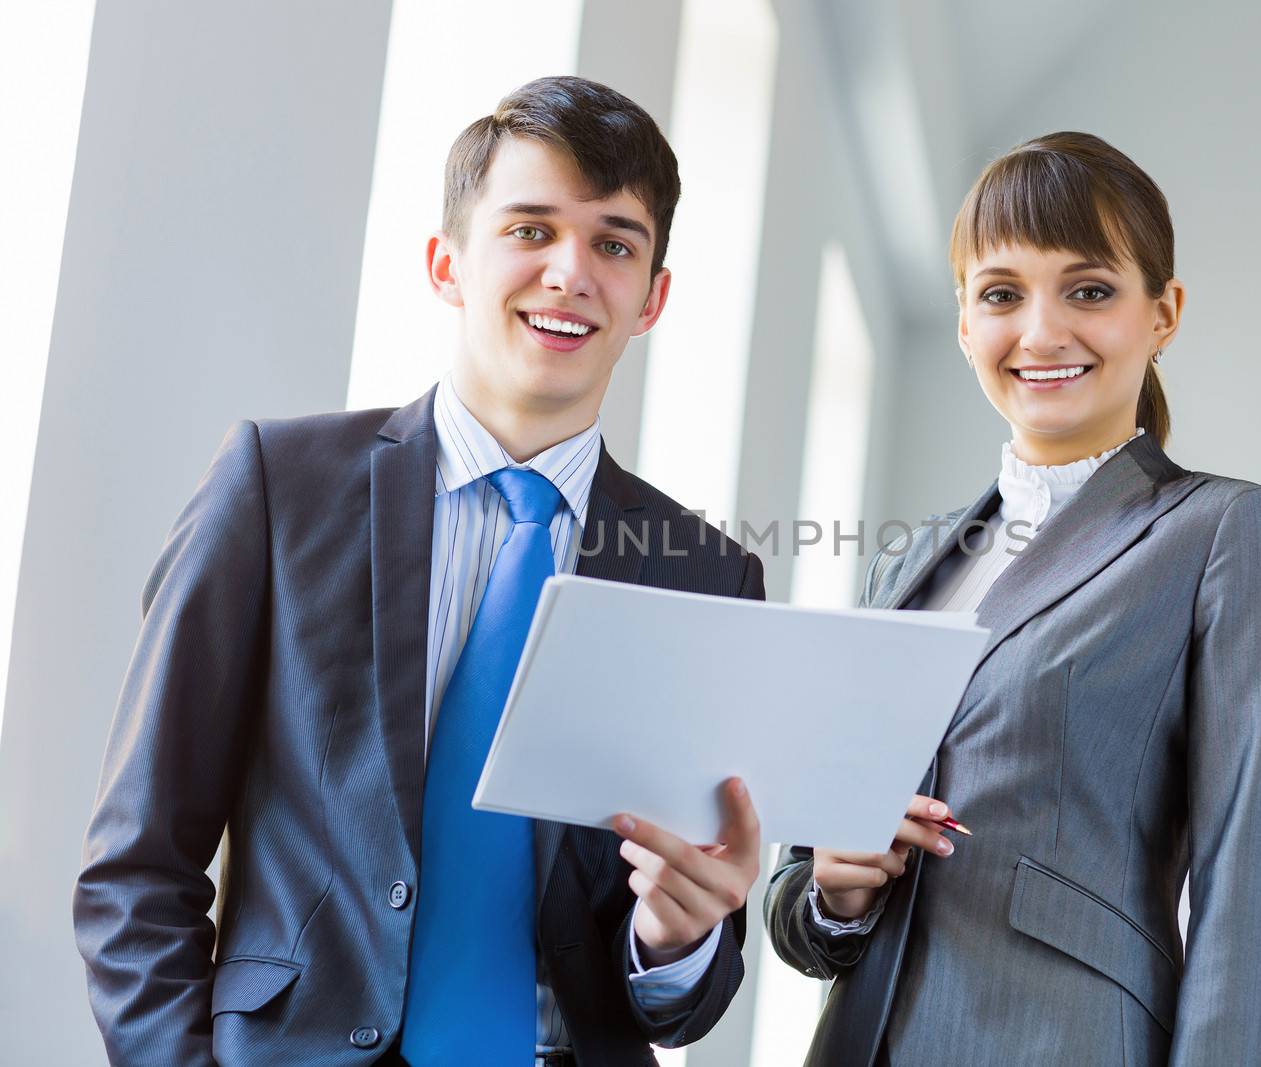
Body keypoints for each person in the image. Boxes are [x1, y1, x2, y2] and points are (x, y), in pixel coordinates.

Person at [72, 76, 765, 1066]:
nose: (571, 271)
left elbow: (680, 997)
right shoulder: (278, 487)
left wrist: (679, 934)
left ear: (652, 297)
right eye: (530, 229)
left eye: (613, 243)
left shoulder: (705, 576)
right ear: (447, 263)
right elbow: (137, 864)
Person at [765, 132, 1261, 1066]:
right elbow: (798, 909)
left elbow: (1250, 889)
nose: (1041, 332)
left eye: (1090, 289)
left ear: (1164, 313)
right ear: (962, 322)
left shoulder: (1229, 532)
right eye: (1001, 294)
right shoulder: (903, 566)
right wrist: (837, 887)